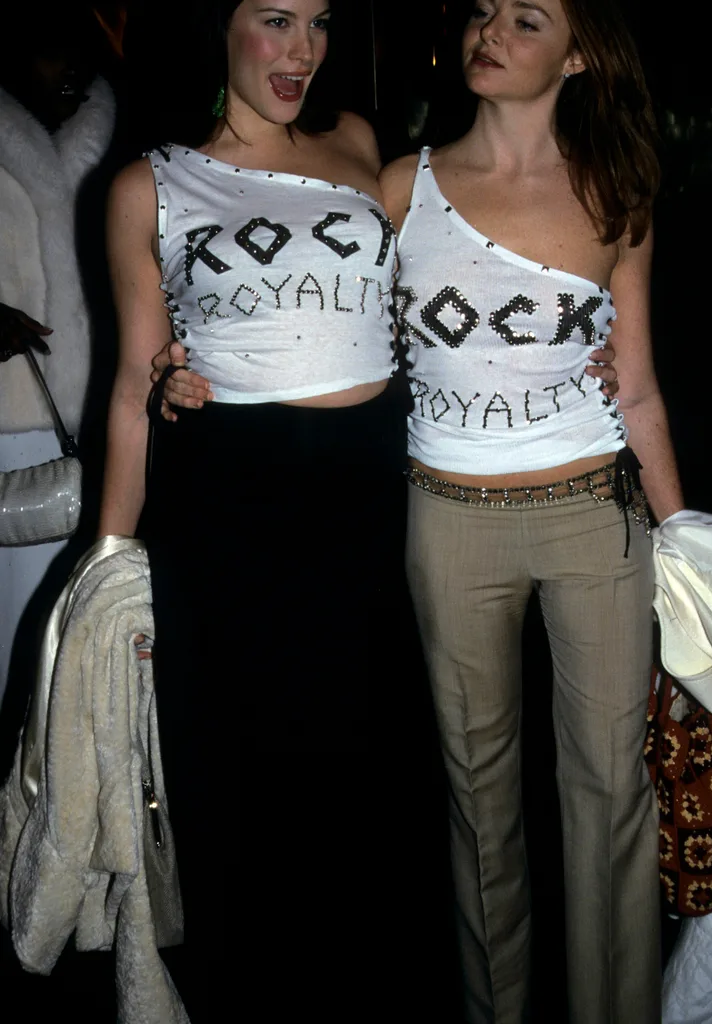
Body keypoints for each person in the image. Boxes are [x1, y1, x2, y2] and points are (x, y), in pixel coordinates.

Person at [137, 2, 621, 1019]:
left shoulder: (363, 144)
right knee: (242, 768)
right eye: (275, 19)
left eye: (318, 21)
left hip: (373, 482)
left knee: (390, 767)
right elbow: (146, 357)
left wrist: (576, 341)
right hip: (237, 489)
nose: (303, 46)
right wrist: (162, 390)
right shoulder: (154, 175)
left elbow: (455, 263)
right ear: (218, 28)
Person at [378, 1, 682, 1021]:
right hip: (449, 520)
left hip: (595, 514)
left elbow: (636, 386)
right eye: (479, 12)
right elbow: (320, 334)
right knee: (479, 801)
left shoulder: (615, 191)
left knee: (612, 798)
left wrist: (688, 545)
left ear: (581, 51)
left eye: (526, 17)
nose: (489, 30)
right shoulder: (398, 186)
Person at [0, 5, 115, 712]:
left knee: (70, 636)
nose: (71, 69)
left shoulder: (115, 135)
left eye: (81, 54)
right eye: (52, 52)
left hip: (97, 413)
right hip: (8, 411)